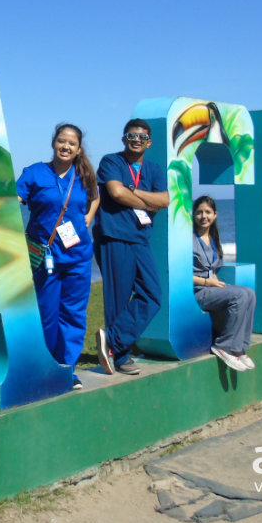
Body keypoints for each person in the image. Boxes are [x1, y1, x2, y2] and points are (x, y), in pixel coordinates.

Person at [18, 123, 100, 390]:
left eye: (72, 144)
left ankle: (67, 369)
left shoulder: (84, 175)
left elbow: (95, 197)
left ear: (78, 149)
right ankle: (45, 367)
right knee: (47, 313)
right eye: (61, 141)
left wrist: (88, 216)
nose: (66, 147)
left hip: (78, 257)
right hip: (45, 258)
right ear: (53, 143)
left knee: (74, 314)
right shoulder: (34, 173)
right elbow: (12, 200)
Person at [93, 118, 169, 376]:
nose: (136, 140)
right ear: (124, 138)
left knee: (153, 294)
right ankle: (120, 356)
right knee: (118, 298)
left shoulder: (155, 169)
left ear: (150, 142)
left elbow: (165, 199)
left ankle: (111, 340)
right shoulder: (111, 162)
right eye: (131, 136)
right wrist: (148, 202)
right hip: (114, 237)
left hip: (140, 238)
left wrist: (134, 191)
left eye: (142, 137)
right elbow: (116, 193)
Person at [192, 196, 257, 371]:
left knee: (249, 292)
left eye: (207, 212)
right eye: (199, 212)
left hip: (211, 289)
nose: (203, 216)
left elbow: (213, 269)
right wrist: (209, 282)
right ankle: (224, 346)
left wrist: (217, 283)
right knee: (240, 295)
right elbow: (182, 275)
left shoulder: (213, 239)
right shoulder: (189, 240)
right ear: (193, 215)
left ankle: (239, 348)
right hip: (197, 291)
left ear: (215, 215)